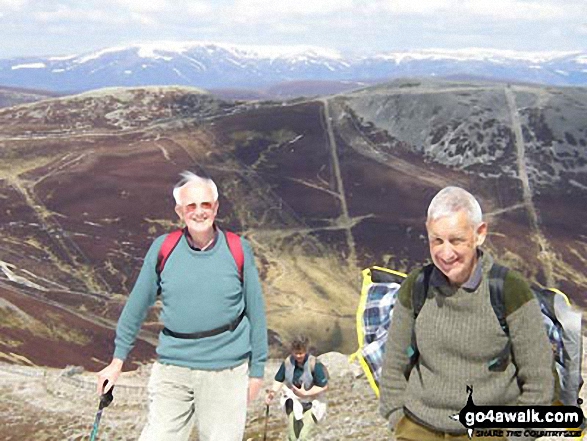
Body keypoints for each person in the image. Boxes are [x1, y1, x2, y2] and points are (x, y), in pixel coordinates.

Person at [96, 171, 268, 441]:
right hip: (172, 367)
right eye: (191, 206)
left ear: (216, 207)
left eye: (206, 204)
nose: (199, 212)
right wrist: (117, 361)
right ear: (179, 211)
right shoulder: (163, 249)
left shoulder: (238, 249)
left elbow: (256, 312)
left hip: (227, 370)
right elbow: (137, 305)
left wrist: (257, 372)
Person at [379, 186, 555, 441]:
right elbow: (394, 364)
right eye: (436, 240)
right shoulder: (416, 287)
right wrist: (398, 418)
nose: (445, 253)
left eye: (456, 240)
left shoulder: (508, 290)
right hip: (419, 426)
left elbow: (538, 379)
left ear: (479, 234)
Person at [265, 335, 329, 441]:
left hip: (312, 402)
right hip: (293, 401)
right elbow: (279, 379)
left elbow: (323, 386)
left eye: (301, 353)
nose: (299, 356)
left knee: (303, 436)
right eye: (296, 353)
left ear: (306, 351)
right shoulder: (288, 363)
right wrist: (272, 393)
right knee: (292, 435)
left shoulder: (314, 364)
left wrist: (305, 394)